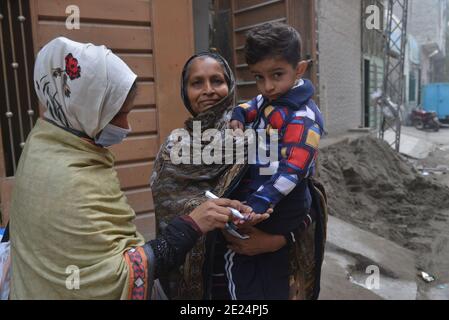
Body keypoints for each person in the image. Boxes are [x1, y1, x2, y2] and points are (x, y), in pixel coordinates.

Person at [9, 37, 247, 300]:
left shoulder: (48, 144)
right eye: (119, 113)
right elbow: (113, 277)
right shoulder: (70, 176)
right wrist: (191, 226)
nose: (126, 125)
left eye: (217, 80)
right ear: (86, 110)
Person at [150, 52, 284, 299]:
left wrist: (276, 241)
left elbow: (303, 196)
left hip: (250, 278)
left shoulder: (260, 135)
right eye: (197, 83)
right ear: (185, 91)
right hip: (191, 287)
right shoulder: (172, 148)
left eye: (217, 81)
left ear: (230, 85)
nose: (208, 90)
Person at [226, 22, 325, 299]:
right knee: (253, 272)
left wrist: (259, 202)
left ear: (300, 70)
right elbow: (252, 105)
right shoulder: (271, 98)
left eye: (277, 74)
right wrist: (237, 115)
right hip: (264, 198)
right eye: (259, 77)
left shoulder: (303, 118)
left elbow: (293, 171)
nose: (267, 86)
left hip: (283, 203)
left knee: (261, 274)